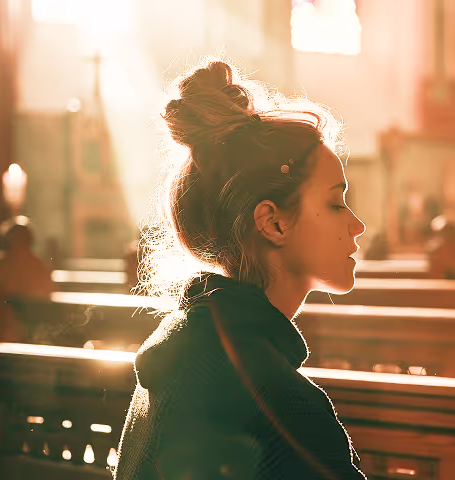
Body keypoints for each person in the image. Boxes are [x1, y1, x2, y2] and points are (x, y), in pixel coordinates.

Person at [114, 59, 367, 480]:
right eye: (336, 202)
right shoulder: (279, 403)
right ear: (273, 222)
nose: (357, 226)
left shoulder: (178, 347)